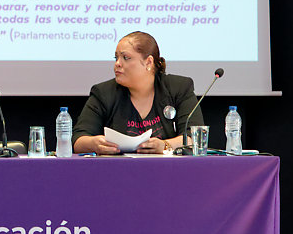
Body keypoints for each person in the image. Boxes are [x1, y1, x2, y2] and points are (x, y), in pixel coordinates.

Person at [73, 31, 203, 155]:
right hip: (118, 171)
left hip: (168, 171)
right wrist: (94, 144)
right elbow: (78, 140)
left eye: (126, 58)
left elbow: (195, 137)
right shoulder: (104, 93)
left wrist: (165, 145)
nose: (117, 64)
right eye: (116, 57)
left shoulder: (178, 88)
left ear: (148, 62)